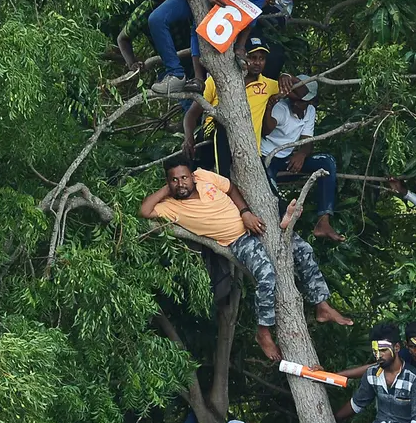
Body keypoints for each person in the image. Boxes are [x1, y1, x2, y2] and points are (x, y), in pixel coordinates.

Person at [140, 159, 351, 360]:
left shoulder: (203, 176)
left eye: (184, 178)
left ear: (192, 176)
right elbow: (144, 210)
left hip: (255, 222)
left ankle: (321, 305)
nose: (180, 183)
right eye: (174, 180)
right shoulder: (170, 207)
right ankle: (263, 332)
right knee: (266, 274)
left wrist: (245, 212)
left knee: (303, 249)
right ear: (168, 183)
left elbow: (231, 188)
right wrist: (169, 189)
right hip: (238, 240)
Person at [183, 37, 293, 176]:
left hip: (247, 147)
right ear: (241, 56)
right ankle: (224, 178)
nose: (257, 62)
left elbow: (303, 92)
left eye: (262, 58)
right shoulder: (218, 80)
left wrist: (286, 75)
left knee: (267, 189)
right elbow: (191, 114)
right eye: (252, 57)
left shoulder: (268, 85)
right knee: (224, 125)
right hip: (213, 133)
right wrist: (188, 138)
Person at [261, 79, 344, 242]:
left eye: (301, 101)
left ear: (311, 101)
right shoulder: (282, 107)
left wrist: (302, 154)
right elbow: (266, 129)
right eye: (294, 99)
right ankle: (280, 226)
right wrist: (270, 107)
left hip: (288, 160)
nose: (296, 103)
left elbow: (307, 142)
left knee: (327, 162)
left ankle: (323, 222)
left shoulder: (310, 111)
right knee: (269, 189)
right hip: (267, 157)